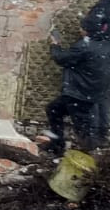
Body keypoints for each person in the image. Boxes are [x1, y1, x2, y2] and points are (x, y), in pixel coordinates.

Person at [46, 18, 110, 153]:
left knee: (84, 131)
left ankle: (91, 160)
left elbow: (61, 58)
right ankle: (57, 146)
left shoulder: (84, 46)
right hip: (97, 94)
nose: (79, 30)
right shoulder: (106, 45)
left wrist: (55, 44)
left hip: (79, 94)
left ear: (87, 30)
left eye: (81, 28)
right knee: (54, 109)